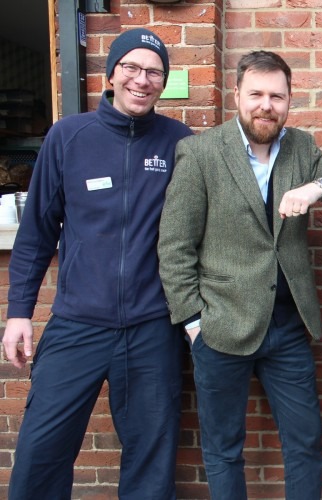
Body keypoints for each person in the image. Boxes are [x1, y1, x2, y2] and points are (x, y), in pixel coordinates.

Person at [157, 50, 322, 500]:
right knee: (224, 448)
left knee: (305, 442)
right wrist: (194, 324)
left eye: (277, 96)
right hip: (220, 328)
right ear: (237, 95)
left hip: (287, 329)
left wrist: (315, 188)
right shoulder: (201, 152)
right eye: (256, 94)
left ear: (288, 101)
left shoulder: (302, 148)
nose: (266, 105)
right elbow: (174, 247)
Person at [2, 28, 193, 499]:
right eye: (131, 67)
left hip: (153, 329)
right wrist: (19, 313)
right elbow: (36, 235)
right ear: (110, 75)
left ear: (163, 83)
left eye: (154, 72)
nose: (142, 80)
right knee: (41, 451)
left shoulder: (180, 142)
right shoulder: (69, 137)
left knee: (151, 460)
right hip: (77, 324)